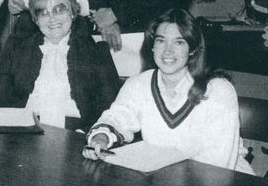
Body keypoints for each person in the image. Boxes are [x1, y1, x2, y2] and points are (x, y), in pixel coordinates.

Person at [83, 9, 252, 174]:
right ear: (152, 46)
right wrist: (101, 137)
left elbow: (218, 165)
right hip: (163, 182)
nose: (167, 51)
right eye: (161, 41)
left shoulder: (217, 90)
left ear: (193, 49)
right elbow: (117, 117)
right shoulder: (139, 83)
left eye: (179, 42)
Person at [0, 0, 121, 131]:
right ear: (35, 19)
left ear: (73, 12)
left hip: (77, 134)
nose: (52, 19)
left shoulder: (97, 54)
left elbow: (109, 110)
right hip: (24, 134)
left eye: (59, 10)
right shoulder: (16, 49)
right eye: (43, 13)